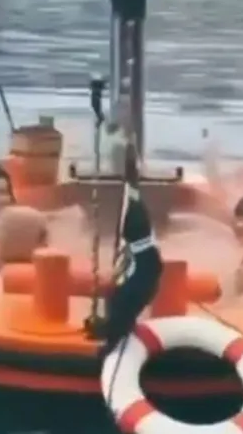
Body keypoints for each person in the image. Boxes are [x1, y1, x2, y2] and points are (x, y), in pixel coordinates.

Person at [94, 143, 162, 357]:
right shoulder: (143, 251)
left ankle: (115, 333)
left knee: (125, 298)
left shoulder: (146, 257)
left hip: (138, 267)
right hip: (136, 256)